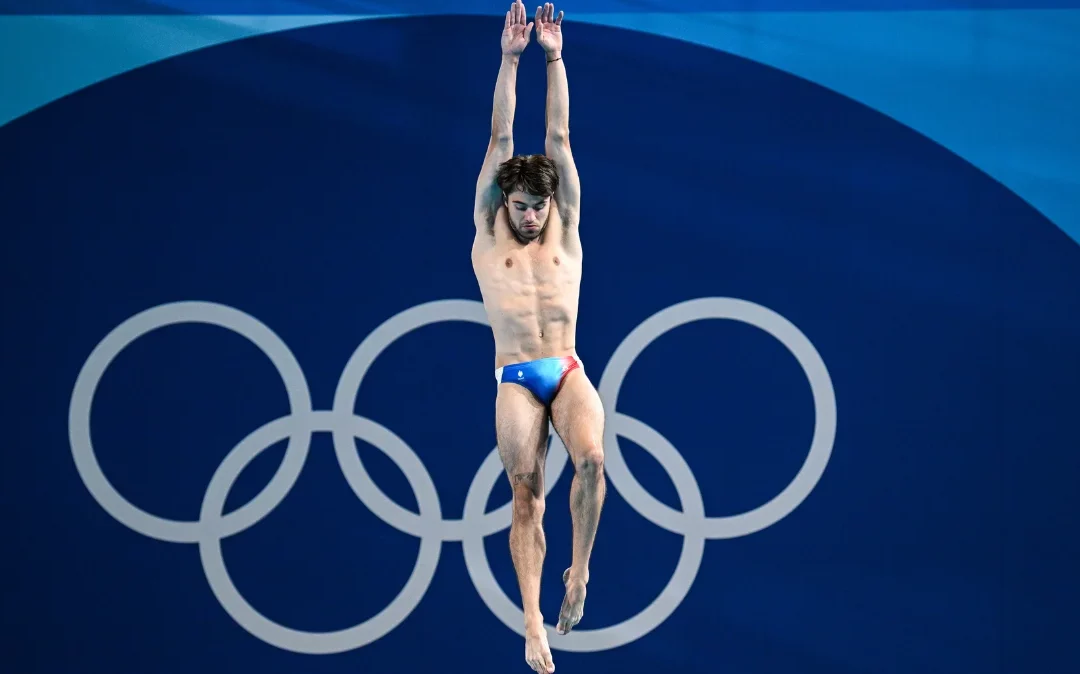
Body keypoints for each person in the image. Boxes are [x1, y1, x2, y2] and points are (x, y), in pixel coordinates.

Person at [471, 2, 606, 672]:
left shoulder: (565, 228)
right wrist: (510, 58)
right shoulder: (490, 229)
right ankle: (531, 623)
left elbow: (560, 139)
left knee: (594, 463)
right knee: (526, 496)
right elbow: (503, 140)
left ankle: (578, 574)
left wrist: (555, 59)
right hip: (517, 376)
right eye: (521, 206)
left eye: (538, 207)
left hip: (568, 367)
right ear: (506, 202)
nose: (529, 217)